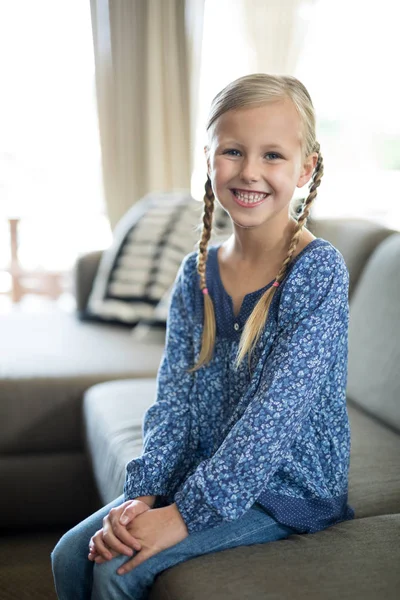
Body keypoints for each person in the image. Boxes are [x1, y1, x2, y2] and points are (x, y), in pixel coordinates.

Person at [51, 73, 354, 600]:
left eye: (273, 156)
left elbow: (273, 419)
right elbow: (173, 403)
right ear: (209, 159)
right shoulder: (196, 278)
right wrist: (144, 496)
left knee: (116, 572)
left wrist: (185, 516)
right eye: (233, 151)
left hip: (286, 487)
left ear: (306, 168)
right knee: (69, 553)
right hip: (205, 469)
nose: (250, 172)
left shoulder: (318, 271)